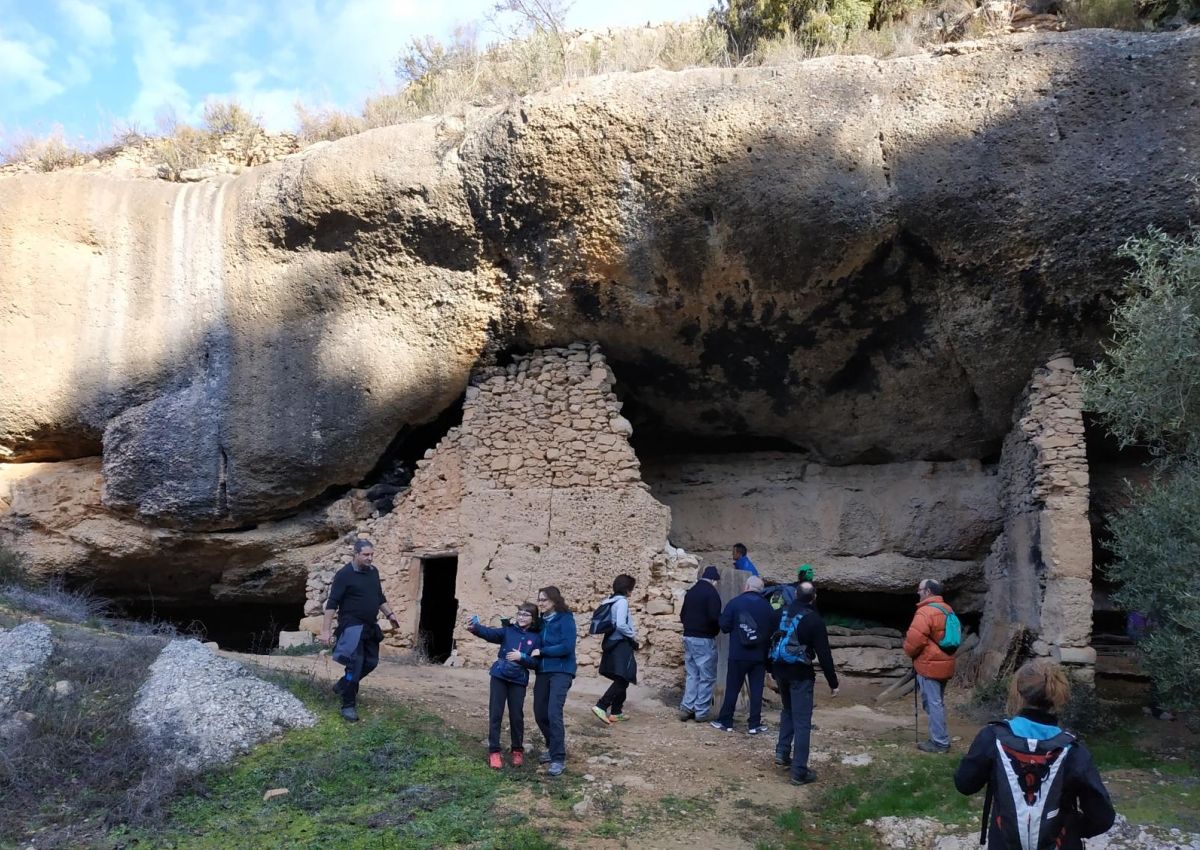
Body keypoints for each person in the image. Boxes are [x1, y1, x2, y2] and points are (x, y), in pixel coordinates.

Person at [954, 659, 1116, 849]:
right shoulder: (1073, 751)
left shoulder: (992, 738)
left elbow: (965, 784)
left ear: (1018, 693)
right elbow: (1102, 817)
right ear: (1057, 696)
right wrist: (1071, 828)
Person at [320, 539, 400, 722]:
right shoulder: (344, 575)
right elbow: (332, 604)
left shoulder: (373, 572)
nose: (370, 558)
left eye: (372, 554)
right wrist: (325, 630)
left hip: (370, 626)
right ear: (355, 554)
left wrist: (390, 615)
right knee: (355, 666)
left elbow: (379, 597)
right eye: (366, 555)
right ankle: (348, 706)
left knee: (371, 663)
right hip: (351, 627)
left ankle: (342, 685)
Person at [771, 582, 839, 785]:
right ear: (814, 597)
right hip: (800, 674)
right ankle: (799, 771)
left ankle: (782, 753)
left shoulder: (781, 614)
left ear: (795, 594)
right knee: (802, 722)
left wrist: (770, 669)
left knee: (787, 711)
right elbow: (824, 654)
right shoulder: (813, 620)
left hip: (780, 670)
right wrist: (833, 682)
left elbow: (771, 640)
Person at [464, 602, 542, 768]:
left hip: (519, 680)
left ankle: (517, 751)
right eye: (520, 613)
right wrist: (475, 628)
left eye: (526, 615)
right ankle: (494, 752)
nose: (522, 617)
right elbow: (490, 633)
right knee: (496, 714)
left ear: (533, 618)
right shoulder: (508, 631)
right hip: (499, 676)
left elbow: (536, 663)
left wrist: (522, 657)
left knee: (516, 716)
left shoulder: (536, 637)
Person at [712, 575, 775, 734]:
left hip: (738, 654)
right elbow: (772, 631)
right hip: (759, 656)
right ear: (761, 590)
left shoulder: (735, 603)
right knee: (756, 690)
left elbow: (724, 626)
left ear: (746, 586)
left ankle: (726, 722)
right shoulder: (767, 607)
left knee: (732, 688)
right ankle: (754, 725)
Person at [903, 578, 957, 752]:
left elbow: (914, 639)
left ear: (928, 591)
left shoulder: (925, 612)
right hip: (945, 662)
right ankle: (938, 736)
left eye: (920, 589)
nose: (918, 592)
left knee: (933, 703)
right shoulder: (948, 609)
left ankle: (940, 742)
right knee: (937, 702)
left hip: (929, 665)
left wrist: (909, 652)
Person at [532, 585, 577, 777]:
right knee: (539, 713)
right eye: (539, 600)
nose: (541, 603)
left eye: (544, 600)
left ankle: (558, 758)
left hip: (561, 671)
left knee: (553, 713)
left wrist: (543, 651)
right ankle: (552, 747)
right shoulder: (541, 622)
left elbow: (567, 646)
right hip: (543, 671)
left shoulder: (565, 619)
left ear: (554, 601)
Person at [593, 574, 638, 724]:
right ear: (627, 590)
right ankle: (602, 705)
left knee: (622, 677)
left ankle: (616, 711)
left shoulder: (609, 600)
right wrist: (632, 634)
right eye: (631, 589)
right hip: (621, 643)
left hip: (611, 641)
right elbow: (620, 624)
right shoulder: (622, 602)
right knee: (623, 678)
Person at [679, 565, 722, 722]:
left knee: (692, 674)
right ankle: (701, 712)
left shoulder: (691, 592)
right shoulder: (711, 593)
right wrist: (716, 629)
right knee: (707, 676)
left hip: (688, 636)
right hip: (704, 639)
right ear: (713, 580)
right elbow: (714, 617)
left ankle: (686, 707)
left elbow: (682, 615)